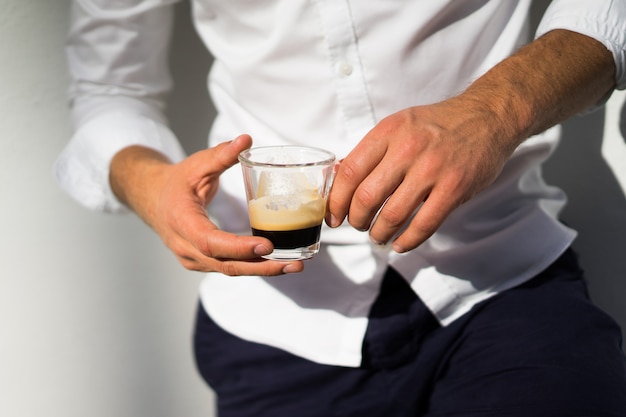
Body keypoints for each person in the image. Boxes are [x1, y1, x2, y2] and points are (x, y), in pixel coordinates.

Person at [56, 0, 626, 415]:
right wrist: (151, 185)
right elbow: (110, 91)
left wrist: (493, 112)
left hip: (502, 281)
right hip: (276, 324)